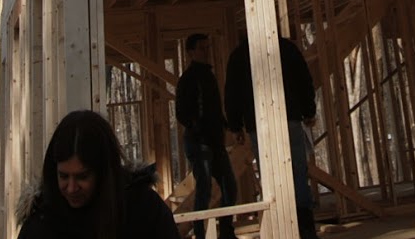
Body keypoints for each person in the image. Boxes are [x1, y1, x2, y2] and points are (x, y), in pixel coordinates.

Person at [19, 110, 181, 239]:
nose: (71, 188)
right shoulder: (42, 223)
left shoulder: (143, 211)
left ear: (103, 174)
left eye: (82, 177)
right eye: (63, 176)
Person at [223, 35, 319, 239]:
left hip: (257, 122)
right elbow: (304, 79)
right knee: (298, 172)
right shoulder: (286, 48)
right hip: (289, 117)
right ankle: (305, 227)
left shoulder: (239, 56)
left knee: (269, 175)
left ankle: (279, 227)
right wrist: (308, 110)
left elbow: (232, 93)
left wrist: (235, 126)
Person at [174, 34, 237, 239]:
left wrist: (228, 126)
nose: (206, 51)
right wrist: (197, 128)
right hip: (199, 143)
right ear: (191, 52)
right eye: (201, 48)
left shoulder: (208, 76)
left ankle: (227, 231)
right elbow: (182, 112)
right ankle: (201, 234)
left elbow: (214, 109)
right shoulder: (188, 79)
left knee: (229, 186)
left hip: (214, 142)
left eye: (207, 47)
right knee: (204, 189)